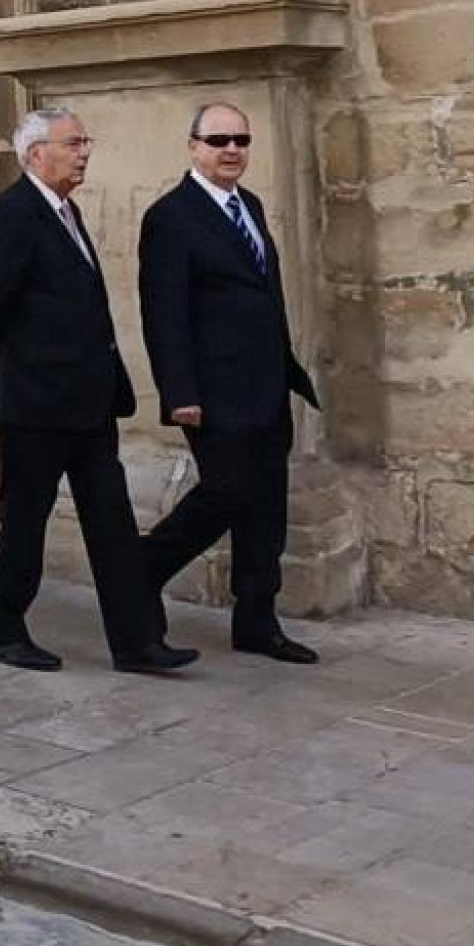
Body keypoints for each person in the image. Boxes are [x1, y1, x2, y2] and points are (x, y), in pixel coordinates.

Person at [0, 108, 199, 676]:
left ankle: (137, 641)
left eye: (85, 141)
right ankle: (3, 628)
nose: (84, 151)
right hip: (34, 405)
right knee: (26, 519)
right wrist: (7, 371)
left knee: (112, 521)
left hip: (88, 402)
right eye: (73, 143)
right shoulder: (15, 214)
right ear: (35, 153)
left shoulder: (65, 212)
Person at [138, 102, 322, 665]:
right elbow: (163, 313)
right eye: (219, 140)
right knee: (227, 490)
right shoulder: (170, 217)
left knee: (265, 504)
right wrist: (179, 393)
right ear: (193, 146)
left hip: (266, 384)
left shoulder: (252, 206)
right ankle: (138, 571)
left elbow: (265, 297)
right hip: (213, 392)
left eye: (241, 139)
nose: (232, 150)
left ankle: (257, 621)